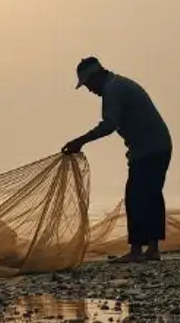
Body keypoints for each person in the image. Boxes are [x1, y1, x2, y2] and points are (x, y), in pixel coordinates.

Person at [62, 57, 172, 263]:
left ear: (95, 76)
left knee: (136, 196)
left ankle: (137, 251)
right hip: (156, 146)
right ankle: (152, 249)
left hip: (150, 149)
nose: (89, 90)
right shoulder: (119, 84)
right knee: (151, 195)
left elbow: (109, 124)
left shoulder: (113, 89)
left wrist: (81, 141)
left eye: (88, 84)